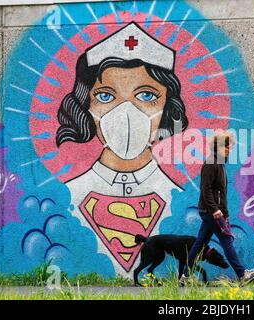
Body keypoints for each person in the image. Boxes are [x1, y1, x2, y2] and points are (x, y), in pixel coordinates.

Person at [56, 22, 188, 277]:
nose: (126, 112)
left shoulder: (177, 197)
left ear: (168, 108)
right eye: (106, 96)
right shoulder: (68, 198)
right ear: (85, 106)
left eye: (147, 95)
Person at [180, 132, 254, 286]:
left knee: (199, 244)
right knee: (226, 241)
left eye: (230, 146)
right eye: (227, 146)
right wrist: (215, 210)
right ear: (218, 146)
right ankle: (242, 274)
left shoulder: (218, 163)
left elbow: (220, 192)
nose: (229, 149)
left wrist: (225, 213)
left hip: (212, 211)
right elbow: (206, 189)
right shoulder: (211, 162)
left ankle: (185, 276)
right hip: (211, 212)